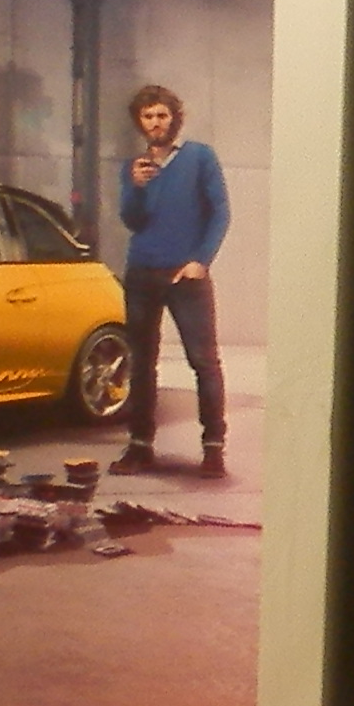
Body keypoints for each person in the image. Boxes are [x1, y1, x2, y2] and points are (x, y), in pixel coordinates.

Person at [115, 83, 230, 473]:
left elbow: (219, 212)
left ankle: (213, 447)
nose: (155, 123)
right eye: (148, 116)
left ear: (174, 118)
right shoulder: (134, 166)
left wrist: (202, 260)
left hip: (187, 275)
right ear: (140, 122)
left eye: (162, 115)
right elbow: (132, 220)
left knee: (203, 360)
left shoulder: (199, 157)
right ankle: (139, 445)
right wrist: (136, 186)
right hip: (142, 271)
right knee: (142, 362)